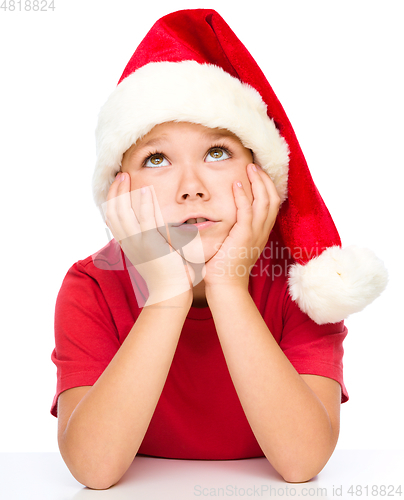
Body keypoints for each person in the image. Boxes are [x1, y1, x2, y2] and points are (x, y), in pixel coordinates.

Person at [50, 9, 388, 490]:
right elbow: (93, 469)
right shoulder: (91, 287)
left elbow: (301, 462)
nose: (191, 187)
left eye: (217, 152)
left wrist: (229, 283)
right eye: (156, 158)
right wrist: (168, 291)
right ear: (118, 189)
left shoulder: (304, 283)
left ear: (261, 174)